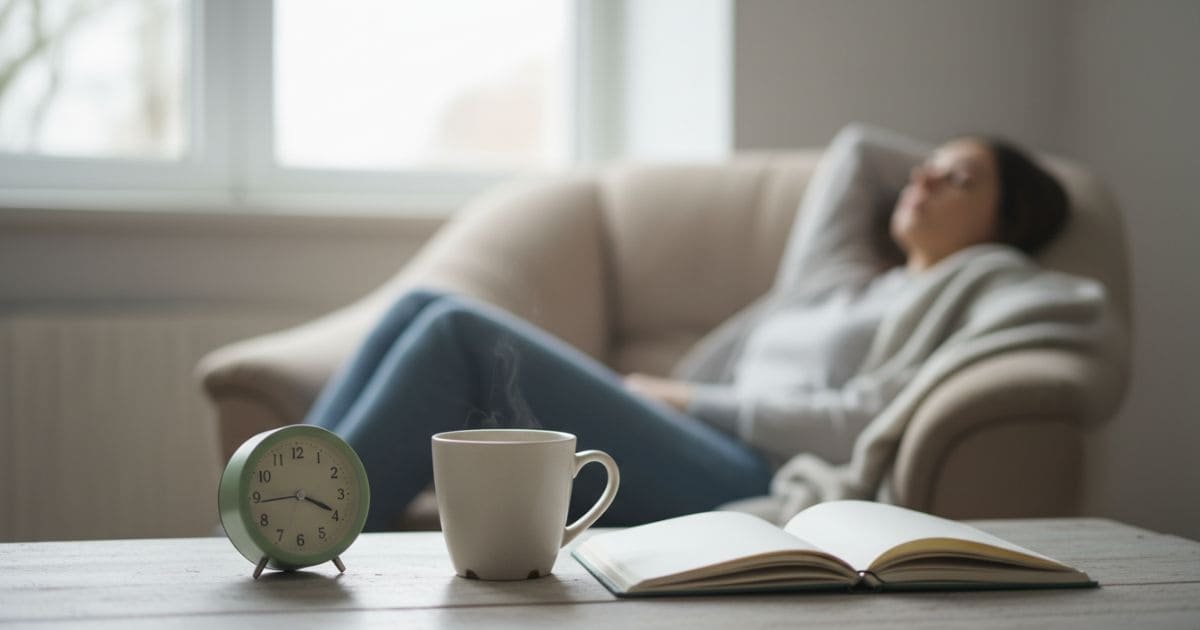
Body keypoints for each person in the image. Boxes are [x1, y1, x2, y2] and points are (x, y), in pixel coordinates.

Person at [304, 124, 1071, 530]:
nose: (924, 178)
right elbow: (859, 150)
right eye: (925, 166)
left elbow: (864, 421)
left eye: (957, 178)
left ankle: (304, 529)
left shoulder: (960, 293)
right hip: (691, 435)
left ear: (1006, 222)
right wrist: (947, 167)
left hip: (751, 471)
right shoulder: (844, 277)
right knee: (419, 308)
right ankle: (277, 510)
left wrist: (691, 400)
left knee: (458, 334)